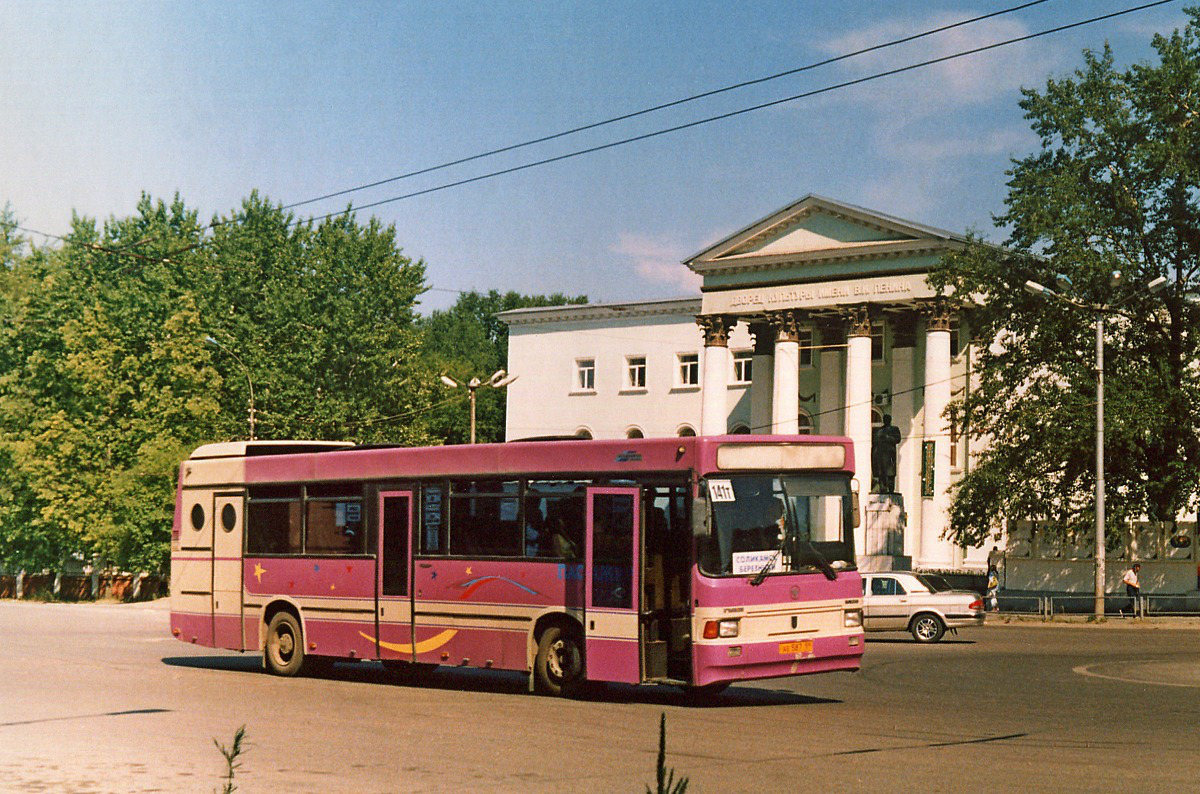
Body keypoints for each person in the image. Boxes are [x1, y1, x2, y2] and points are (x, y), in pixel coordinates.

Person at [871, 414, 901, 493]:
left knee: (890, 474)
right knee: (882, 473)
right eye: (884, 419)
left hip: (890, 454)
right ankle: (882, 489)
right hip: (880, 455)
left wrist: (887, 438)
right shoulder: (879, 430)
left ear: (890, 420)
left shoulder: (894, 429)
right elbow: (875, 442)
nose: (886, 421)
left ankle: (891, 489)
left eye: (887, 419)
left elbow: (898, 439)